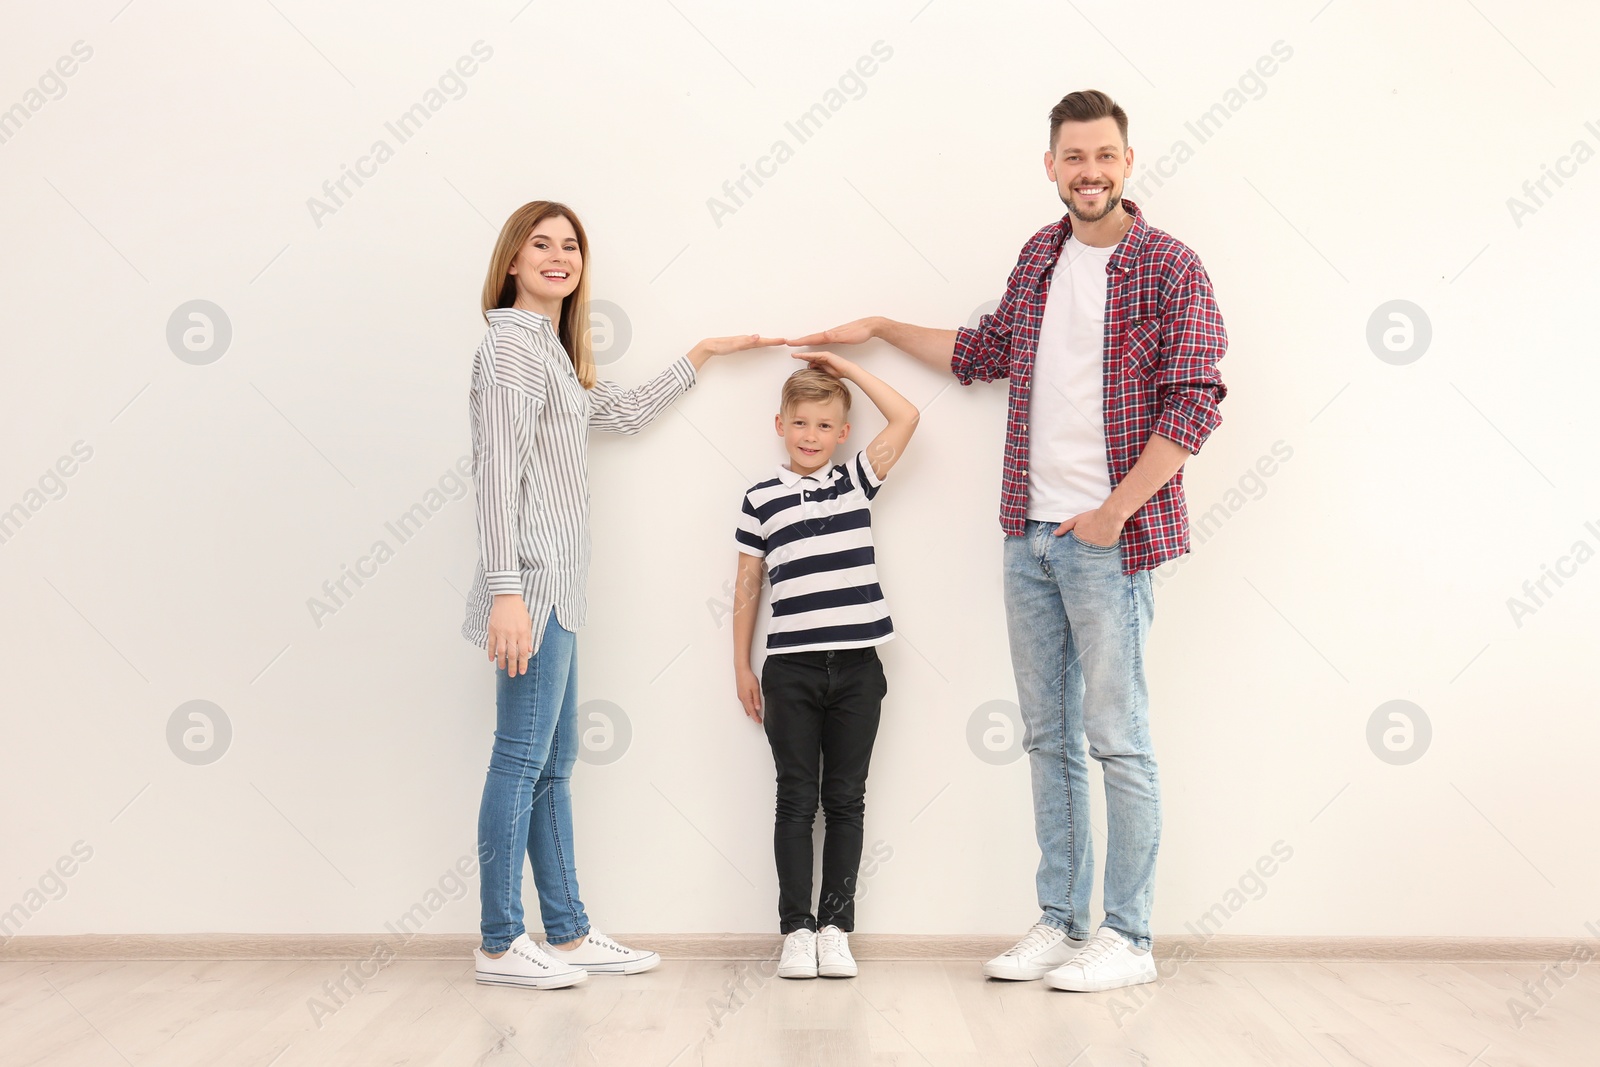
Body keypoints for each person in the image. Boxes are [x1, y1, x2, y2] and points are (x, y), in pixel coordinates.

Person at [788, 89, 1228, 992]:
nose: (1090, 172)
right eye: (1075, 157)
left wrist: (1114, 510)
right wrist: (873, 329)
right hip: (1026, 534)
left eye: (1105, 156)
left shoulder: (1171, 267)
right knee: (1047, 737)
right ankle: (1063, 922)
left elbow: (1196, 401)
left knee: (1119, 737)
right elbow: (982, 350)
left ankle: (1130, 937)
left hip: (1111, 540)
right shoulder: (1039, 255)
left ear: (1128, 161)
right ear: (1052, 165)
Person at [464, 199, 780, 989]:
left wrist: (701, 354)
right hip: (530, 592)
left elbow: (625, 413)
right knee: (519, 760)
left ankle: (566, 931)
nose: (558, 256)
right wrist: (506, 590)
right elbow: (496, 474)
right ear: (512, 261)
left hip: (559, 591)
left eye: (570, 245)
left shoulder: (551, 355)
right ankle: (501, 942)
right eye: (541, 244)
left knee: (552, 764)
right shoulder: (510, 348)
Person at [732, 353, 919, 979]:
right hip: (790, 668)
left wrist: (844, 366)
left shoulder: (855, 481)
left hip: (860, 667)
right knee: (795, 800)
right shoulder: (760, 498)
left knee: (846, 800)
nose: (810, 436)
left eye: (824, 426)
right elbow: (747, 587)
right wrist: (742, 668)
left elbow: (907, 415)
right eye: (800, 423)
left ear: (842, 434)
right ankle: (796, 931)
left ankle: (836, 926)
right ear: (780, 424)